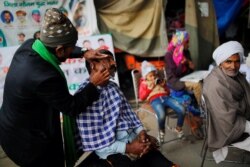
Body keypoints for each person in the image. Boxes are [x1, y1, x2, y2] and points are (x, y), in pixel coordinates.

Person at [0, 8, 110, 167]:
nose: (74, 49)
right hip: (27, 143)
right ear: (59, 50)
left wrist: (84, 52)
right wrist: (93, 83)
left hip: (9, 125)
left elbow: (55, 45)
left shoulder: (30, 45)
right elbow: (72, 107)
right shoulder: (45, 77)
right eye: (72, 47)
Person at [76, 50, 179, 167]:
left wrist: (141, 133)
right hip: (111, 152)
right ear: (93, 65)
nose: (113, 63)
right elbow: (97, 142)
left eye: (112, 60)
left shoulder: (113, 87)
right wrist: (129, 148)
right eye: (107, 60)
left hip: (133, 139)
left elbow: (129, 114)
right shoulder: (83, 96)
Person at [203, 41, 250, 151]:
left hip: (242, 117)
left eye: (237, 62)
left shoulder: (237, 76)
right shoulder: (216, 85)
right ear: (220, 63)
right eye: (228, 62)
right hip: (225, 130)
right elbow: (228, 121)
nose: (233, 66)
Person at [139, 60, 186, 140]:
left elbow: (167, 92)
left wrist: (164, 86)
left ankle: (178, 128)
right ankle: (161, 131)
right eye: (150, 76)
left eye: (154, 75)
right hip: (155, 100)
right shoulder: (144, 84)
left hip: (166, 98)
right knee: (161, 114)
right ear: (145, 77)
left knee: (182, 109)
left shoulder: (158, 80)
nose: (153, 77)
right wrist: (149, 88)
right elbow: (141, 97)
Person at [165, 30, 202, 105]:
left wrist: (190, 66)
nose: (188, 44)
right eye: (187, 41)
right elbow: (176, 73)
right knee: (197, 85)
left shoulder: (186, 52)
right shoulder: (169, 55)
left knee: (203, 80)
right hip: (176, 80)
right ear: (181, 42)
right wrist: (182, 63)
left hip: (186, 77)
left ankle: (200, 103)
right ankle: (203, 108)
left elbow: (190, 70)